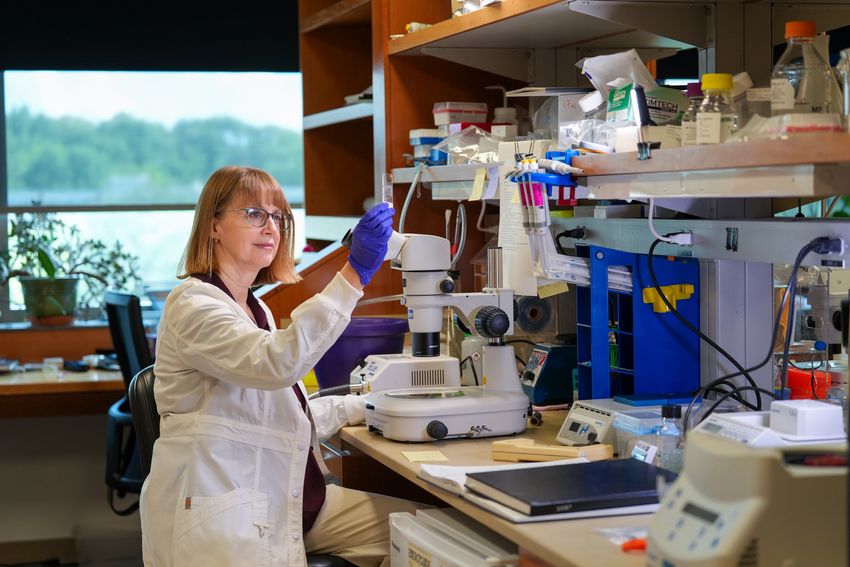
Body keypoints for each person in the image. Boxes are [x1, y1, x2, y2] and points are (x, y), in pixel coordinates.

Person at [140, 166, 422, 566]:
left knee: (422, 530)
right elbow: (277, 362)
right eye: (254, 214)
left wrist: (372, 406)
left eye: (279, 217)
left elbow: (282, 418)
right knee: (420, 538)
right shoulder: (194, 305)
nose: (271, 227)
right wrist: (353, 274)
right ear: (214, 225)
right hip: (223, 509)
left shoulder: (255, 309)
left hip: (280, 495)